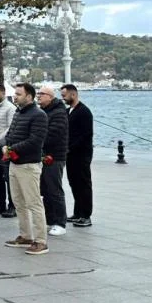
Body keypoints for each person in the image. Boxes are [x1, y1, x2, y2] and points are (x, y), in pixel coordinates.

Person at [3, 82, 49, 255]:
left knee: (33, 203)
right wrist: (7, 145)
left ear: (29, 96)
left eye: (19, 94)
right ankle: (25, 236)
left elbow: (36, 140)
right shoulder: (18, 112)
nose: (15, 96)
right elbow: (11, 133)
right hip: (14, 164)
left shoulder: (39, 115)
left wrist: (12, 149)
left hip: (29, 164)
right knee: (19, 202)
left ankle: (41, 241)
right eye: (15, 93)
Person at [37, 85, 69, 236]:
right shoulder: (43, 111)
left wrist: (37, 141)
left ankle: (60, 222)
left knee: (54, 189)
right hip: (42, 156)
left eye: (42, 94)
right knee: (45, 190)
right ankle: (50, 220)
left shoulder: (58, 112)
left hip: (54, 156)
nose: (38, 96)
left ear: (50, 96)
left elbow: (54, 134)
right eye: (38, 94)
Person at [61, 84, 94, 227]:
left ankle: (86, 215)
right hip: (70, 154)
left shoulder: (84, 112)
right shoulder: (68, 111)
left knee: (83, 184)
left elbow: (85, 135)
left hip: (81, 154)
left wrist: (70, 147)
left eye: (65, 95)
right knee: (74, 183)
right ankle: (77, 212)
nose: (63, 98)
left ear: (73, 95)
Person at [0, 84, 17, 217]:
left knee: (7, 177)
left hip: (4, 147)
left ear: (3, 93)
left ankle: (12, 205)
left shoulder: (10, 108)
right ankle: (0, 203)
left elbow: (10, 128)